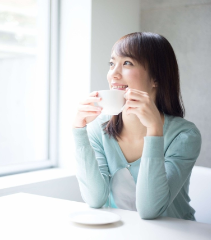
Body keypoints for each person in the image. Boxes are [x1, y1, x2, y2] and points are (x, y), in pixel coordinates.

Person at [72, 32, 201, 220]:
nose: (113, 74)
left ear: (156, 77)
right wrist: (78, 130)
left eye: (127, 63)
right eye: (112, 63)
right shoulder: (98, 129)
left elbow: (150, 210)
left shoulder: (184, 136)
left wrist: (155, 130)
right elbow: (95, 199)